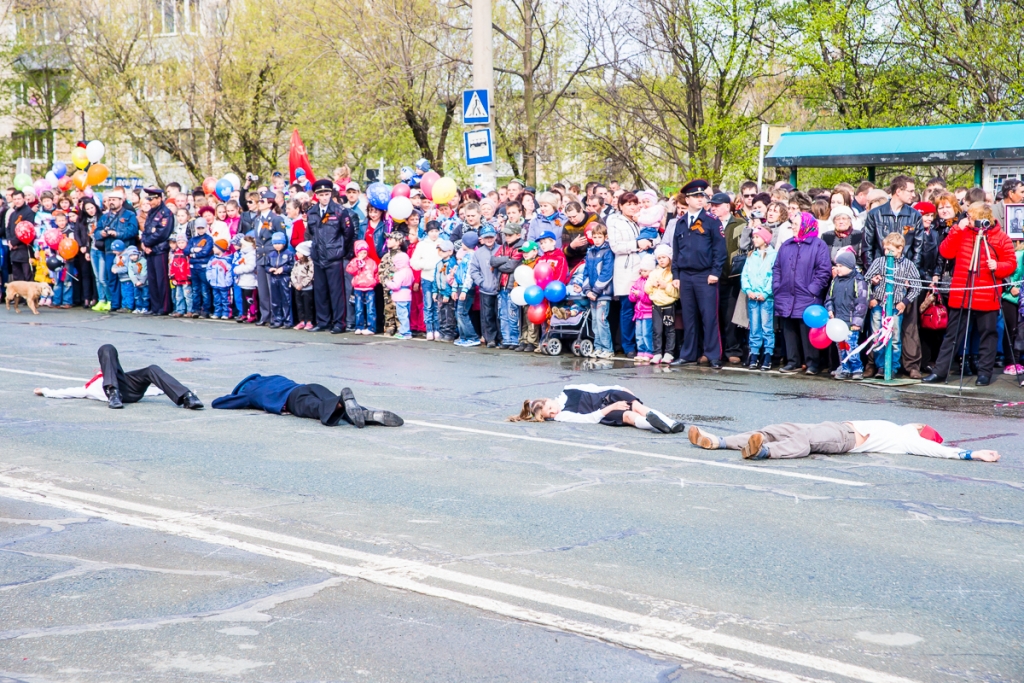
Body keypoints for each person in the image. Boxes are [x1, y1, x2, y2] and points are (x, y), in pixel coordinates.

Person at [924, 203, 1017, 386]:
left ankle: (984, 373)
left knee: (988, 334)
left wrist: (997, 267)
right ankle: (940, 371)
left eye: (971, 216)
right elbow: (946, 252)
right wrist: (956, 231)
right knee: (953, 335)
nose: (968, 218)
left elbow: (1010, 264)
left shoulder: (1000, 237)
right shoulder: (963, 232)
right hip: (963, 292)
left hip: (986, 294)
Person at [688, 421, 999, 462]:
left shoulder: (908, 438)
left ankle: (764, 452)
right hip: (837, 426)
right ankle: (718, 441)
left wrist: (971, 454)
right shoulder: (900, 428)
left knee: (804, 439)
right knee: (776, 427)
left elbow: (937, 450)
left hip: (846, 438)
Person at [34, 344, 203, 410]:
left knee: (151, 369)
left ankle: (187, 397)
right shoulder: (88, 388)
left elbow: (152, 391)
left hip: (128, 388)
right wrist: (46, 391)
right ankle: (113, 393)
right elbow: (67, 392)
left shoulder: (112, 372)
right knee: (106, 348)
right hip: (114, 393)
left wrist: (165, 390)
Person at [671, 180, 727, 368]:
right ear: (687, 199)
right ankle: (688, 354)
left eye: (702, 196)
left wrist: (715, 272)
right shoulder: (680, 223)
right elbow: (676, 252)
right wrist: (676, 275)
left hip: (705, 275)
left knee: (709, 316)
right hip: (686, 276)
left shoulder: (711, 221)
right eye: (696, 196)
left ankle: (713, 355)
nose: (700, 199)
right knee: (689, 317)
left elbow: (720, 250)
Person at [212, 375, 402, 428]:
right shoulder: (273, 377)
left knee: (319, 408)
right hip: (307, 386)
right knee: (329, 398)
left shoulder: (249, 393)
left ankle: (342, 404)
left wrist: (237, 395)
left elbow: (219, 403)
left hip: (293, 399)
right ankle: (365, 413)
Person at [772, 212, 832, 375]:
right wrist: (777, 286)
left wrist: (813, 289)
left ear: (806, 225)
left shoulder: (818, 245)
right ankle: (793, 361)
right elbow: (777, 268)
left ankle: (813, 363)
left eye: (796, 225)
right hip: (786, 294)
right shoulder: (787, 245)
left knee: (807, 330)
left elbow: (823, 271)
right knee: (789, 329)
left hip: (807, 295)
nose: (793, 228)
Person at [509, 384, 684, 434]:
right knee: (630, 415)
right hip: (603, 411)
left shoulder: (569, 389)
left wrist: (620, 388)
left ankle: (670, 423)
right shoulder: (562, 416)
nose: (553, 412)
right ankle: (656, 425)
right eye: (549, 414)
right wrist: (612, 408)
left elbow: (595, 388)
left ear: (548, 400)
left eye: (550, 408)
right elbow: (589, 418)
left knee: (637, 405)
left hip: (609, 395)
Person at [864, 232, 920, 375]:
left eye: (891, 249)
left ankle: (892, 366)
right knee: (877, 336)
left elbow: (917, 286)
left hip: (895, 306)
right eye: (885, 249)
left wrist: (904, 302)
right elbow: (866, 280)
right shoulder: (879, 262)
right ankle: (880, 366)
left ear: (900, 248)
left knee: (894, 338)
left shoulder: (908, 265)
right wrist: (871, 297)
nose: (887, 252)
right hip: (878, 305)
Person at [306, 179, 354, 333]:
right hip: (319, 256)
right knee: (320, 291)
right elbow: (311, 233)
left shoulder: (339, 211)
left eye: (327, 194)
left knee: (336, 292)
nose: (324, 197)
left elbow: (348, 234)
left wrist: (341, 251)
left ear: (331, 194)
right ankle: (322, 321)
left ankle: (339, 323)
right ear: (316, 196)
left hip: (334, 257)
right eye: (321, 194)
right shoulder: (312, 212)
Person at [709, 191, 747, 364]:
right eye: (712, 205)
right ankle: (713, 350)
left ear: (727, 206)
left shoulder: (740, 223)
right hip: (711, 275)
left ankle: (733, 349)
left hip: (732, 277)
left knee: (731, 316)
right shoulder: (708, 223)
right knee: (712, 314)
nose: (713, 208)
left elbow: (745, 247)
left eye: (717, 205)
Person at [607, 192, 645, 358]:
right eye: (628, 203)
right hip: (626, 267)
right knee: (627, 307)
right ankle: (628, 345)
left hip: (642, 267)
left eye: (634, 203)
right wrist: (636, 244)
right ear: (620, 206)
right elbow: (616, 246)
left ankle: (642, 344)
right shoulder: (614, 221)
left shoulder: (640, 220)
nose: (632, 206)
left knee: (644, 307)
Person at [825, 249, 869, 380]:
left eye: (840, 266)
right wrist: (830, 309)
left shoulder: (859, 281)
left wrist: (857, 322)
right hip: (838, 322)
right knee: (841, 347)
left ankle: (857, 368)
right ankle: (845, 368)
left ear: (850, 266)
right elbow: (829, 298)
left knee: (851, 346)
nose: (837, 269)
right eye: (836, 266)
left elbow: (861, 303)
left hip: (851, 323)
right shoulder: (835, 281)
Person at [740, 227, 777, 370]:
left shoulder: (773, 255)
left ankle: (768, 354)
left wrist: (766, 293)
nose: (754, 239)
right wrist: (748, 290)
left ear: (765, 239)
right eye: (753, 237)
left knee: (767, 327)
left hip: (766, 298)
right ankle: (754, 354)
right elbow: (745, 275)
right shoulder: (751, 255)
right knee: (754, 327)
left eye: (757, 237)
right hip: (753, 297)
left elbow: (773, 276)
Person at [253, 190, 286, 327]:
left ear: (270, 203)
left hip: (272, 257)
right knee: (263, 289)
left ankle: (275, 316)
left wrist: (279, 258)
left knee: (273, 289)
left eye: (262, 201)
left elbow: (283, 239)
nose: (259, 203)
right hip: (261, 256)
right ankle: (265, 315)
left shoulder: (277, 219)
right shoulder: (257, 219)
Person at [140, 187, 174, 315]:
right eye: (149, 199)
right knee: (152, 280)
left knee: (162, 280)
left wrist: (148, 243)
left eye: (152, 199)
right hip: (150, 250)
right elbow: (146, 230)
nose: (150, 202)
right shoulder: (151, 213)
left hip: (160, 250)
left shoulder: (166, 213)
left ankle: (164, 307)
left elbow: (162, 233)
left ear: (159, 199)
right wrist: (144, 243)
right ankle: (155, 307)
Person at [582, 224, 615, 358]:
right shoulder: (590, 252)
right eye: (594, 237)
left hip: (603, 294)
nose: (596, 240)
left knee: (602, 321)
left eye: (599, 237)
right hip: (592, 294)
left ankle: (608, 348)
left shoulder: (607, 252)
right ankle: (598, 347)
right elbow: (586, 273)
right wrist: (587, 290)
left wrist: (595, 291)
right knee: (594, 321)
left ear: (605, 237)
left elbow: (607, 273)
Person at [491, 223, 525, 349]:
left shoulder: (520, 246)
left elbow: (511, 266)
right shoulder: (504, 246)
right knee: (503, 314)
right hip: (501, 285)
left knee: (512, 314)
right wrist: (506, 258)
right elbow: (492, 260)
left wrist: (501, 261)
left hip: (512, 286)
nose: (507, 237)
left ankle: (515, 339)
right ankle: (506, 339)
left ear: (518, 234)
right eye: (505, 234)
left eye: (510, 235)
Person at [645, 244, 679, 364]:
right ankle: (657, 352)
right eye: (659, 258)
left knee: (669, 330)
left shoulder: (672, 273)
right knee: (656, 330)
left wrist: (666, 286)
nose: (661, 260)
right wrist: (652, 284)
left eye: (664, 257)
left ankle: (669, 353)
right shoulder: (654, 272)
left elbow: (676, 293)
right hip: (656, 306)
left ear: (669, 258)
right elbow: (647, 288)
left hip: (669, 305)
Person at [469, 224, 501, 347]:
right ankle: (490, 338)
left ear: (495, 236)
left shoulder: (501, 249)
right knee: (487, 315)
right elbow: (474, 270)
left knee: (500, 315)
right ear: (481, 238)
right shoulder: (478, 253)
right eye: (486, 237)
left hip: (500, 289)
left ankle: (501, 337)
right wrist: (482, 282)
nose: (489, 239)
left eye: (491, 237)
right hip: (485, 289)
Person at [411, 220, 443, 340]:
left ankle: (438, 329)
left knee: (438, 305)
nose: (434, 234)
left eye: (436, 231)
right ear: (427, 232)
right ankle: (429, 329)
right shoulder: (422, 245)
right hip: (427, 278)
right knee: (428, 304)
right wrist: (427, 265)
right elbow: (414, 262)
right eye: (431, 231)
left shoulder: (443, 243)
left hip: (440, 279)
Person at [453, 232, 480, 346]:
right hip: (460, 287)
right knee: (459, 313)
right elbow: (458, 273)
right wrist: (455, 288)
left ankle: (472, 337)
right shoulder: (466, 256)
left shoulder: (471, 257)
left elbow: (469, 275)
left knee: (462, 312)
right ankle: (463, 336)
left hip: (466, 289)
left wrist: (464, 290)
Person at [346, 240, 378, 335]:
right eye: (361, 252)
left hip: (369, 288)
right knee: (358, 308)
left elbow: (376, 272)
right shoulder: (354, 261)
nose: (363, 254)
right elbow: (350, 270)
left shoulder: (371, 262)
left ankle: (371, 327)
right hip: (358, 288)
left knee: (371, 308)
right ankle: (359, 326)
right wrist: (357, 263)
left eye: (365, 252)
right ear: (357, 252)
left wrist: (375, 281)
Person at [629, 255, 656, 363]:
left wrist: (639, 294)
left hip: (648, 312)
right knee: (639, 334)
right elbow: (632, 295)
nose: (642, 273)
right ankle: (641, 351)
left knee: (646, 333)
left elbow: (650, 299)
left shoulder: (651, 282)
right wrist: (633, 295)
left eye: (645, 270)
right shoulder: (639, 281)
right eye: (641, 270)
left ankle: (649, 351)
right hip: (639, 312)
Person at [6, 190, 36, 282]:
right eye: (15, 199)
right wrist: (9, 241)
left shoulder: (28, 212)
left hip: (24, 249)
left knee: (27, 276)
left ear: (24, 199)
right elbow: (8, 228)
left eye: (19, 198)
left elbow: (27, 230)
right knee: (17, 278)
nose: (17, 201)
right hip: (14, 250)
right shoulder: (13, 213)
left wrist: (14, 242)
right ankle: (19, 296)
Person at [186, 219, 214, 318]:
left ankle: (206, 310)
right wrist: (194, 250)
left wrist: (192, 254)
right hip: (194, 267)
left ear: (206, 228)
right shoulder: (193, 239)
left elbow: (205, 252)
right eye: (199, 228)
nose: (201, 230)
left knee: (205, 289)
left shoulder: (209, 239)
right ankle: (196, 309)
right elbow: (186, 250)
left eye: (202, 228)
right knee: (195, 289)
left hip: (203, 266)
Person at [266, 231, 294, 328]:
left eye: (279, 243)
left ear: (284, 243)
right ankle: (277, 319)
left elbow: (292, 265)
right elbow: (267, 266)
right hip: (274, 277)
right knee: (275, 300)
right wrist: (270, 269)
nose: (277, 246)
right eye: (275, 244)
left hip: (284, 278)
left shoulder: (289, 253)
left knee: (286, 300)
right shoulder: (271, 255)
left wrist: (284, 269)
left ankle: (287, 320)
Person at [434, 238, 458, 343]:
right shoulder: (439, 264)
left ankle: (449, 333)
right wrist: (434, 291)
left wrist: (447, 293)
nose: (440, 252)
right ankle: (442, 331)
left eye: (443, 250)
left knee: (449, 313)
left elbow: (451, 280)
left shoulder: (452, 263)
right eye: (439, 250)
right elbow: (435, 278)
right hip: (440, 291)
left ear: (450, 252)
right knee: (441, 313)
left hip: (447, 293)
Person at [385, 251, 414, 339]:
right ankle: (406, 331)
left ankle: (405, 332)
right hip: (408, 295)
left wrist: (388, 283)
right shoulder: (409, 271)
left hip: (400, 295)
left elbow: (396, 286)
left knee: (402, 315)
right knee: (406, 314)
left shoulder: (399, 273)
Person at [207, 239, 235, 320]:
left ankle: (226, 313)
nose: (213, 249)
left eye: (215, 247)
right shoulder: (213, 259)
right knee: (216, 299)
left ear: (220, 249)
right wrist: (210, 279)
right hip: (214, 283)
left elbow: (229, 272)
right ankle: (217, 312)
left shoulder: (227, 260)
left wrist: (227, 282)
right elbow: (208, 269)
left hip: (224, 284)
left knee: (225, 300)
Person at [291, 240, 315, 330]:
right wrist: (296, 284)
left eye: (298, 252)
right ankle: (301, 321)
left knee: (308, 305)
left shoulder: (310, 263)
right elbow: (293, 273)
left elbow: (310, 275)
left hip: (307, 288)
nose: (296, 253)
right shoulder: (297, 263)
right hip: (297, 288)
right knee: (299, 305)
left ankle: (309, 321)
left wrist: (302, 284)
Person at [168, 234, 192, 318]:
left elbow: (189, 265)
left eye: (183, 242)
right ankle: (180, 310)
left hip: (185, 279)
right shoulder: (176, 253)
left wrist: (189, 275)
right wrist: (172, 276)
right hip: (177, 279)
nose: (181, 244)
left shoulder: (187, 253)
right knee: (178, 296)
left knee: (188, 295)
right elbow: (172, 266)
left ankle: (189, 310)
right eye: (179, 242)